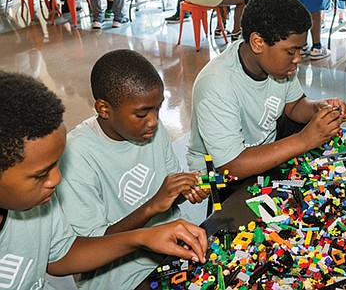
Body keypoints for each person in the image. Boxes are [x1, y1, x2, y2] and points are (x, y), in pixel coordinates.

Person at [0, 71, 207, 290]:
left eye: (57, 165)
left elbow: (61, 255)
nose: (57, 179)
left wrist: (142, 237)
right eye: (41, 174)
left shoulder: (35, 201)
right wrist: (148, 217)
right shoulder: (78, 157)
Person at [56, 50, 210, 289]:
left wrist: (185, 190)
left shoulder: (150, 131)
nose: (154, 121)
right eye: (141, 113)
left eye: (157, 109)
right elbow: (91, 246)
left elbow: (168, 198)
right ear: (104, 109)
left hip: (172, 248)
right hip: (120, 275)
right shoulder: (77, 156)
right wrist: (151, 207)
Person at [186, 0, 346, 180]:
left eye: (300, 50)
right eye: (291, 52)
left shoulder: (278, 67)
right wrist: (304, 140)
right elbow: (231, 166)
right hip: (223, 175)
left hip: (266, 152)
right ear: (257, 42)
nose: (298, 59)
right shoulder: (216, 85)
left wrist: (319, 108)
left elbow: (295, 105)